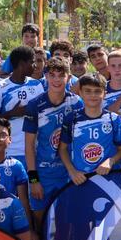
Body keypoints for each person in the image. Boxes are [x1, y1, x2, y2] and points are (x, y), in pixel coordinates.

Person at [23, 58, 80, 224]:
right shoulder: (35, 105)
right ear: (45, 77)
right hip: (44, 172)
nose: (56, 79)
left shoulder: (76, 102)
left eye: (61, 75)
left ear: (68, 78)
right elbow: (29, 146)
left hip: (68, 172)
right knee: (40, 222)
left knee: (67, 221)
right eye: (52, 75)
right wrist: (34, 180)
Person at [59, 74, 121, 186]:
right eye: (88, 91)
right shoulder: (71, 118)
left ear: (104, 93)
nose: (93, 95)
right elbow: (62, 149)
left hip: (108, 180)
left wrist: (110, 161)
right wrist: (72, 171)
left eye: (97, 91)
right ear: (80, 92)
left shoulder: (113, 118)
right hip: (81, 179)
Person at [0, 46, 45, 168]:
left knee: (33, 182)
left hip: (34, 151)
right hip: (11, 151)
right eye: (32, 62)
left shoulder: (37, 85)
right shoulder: (1, 87)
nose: (35, 65)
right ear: (21, 64)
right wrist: (11, 113)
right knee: (16, 186)